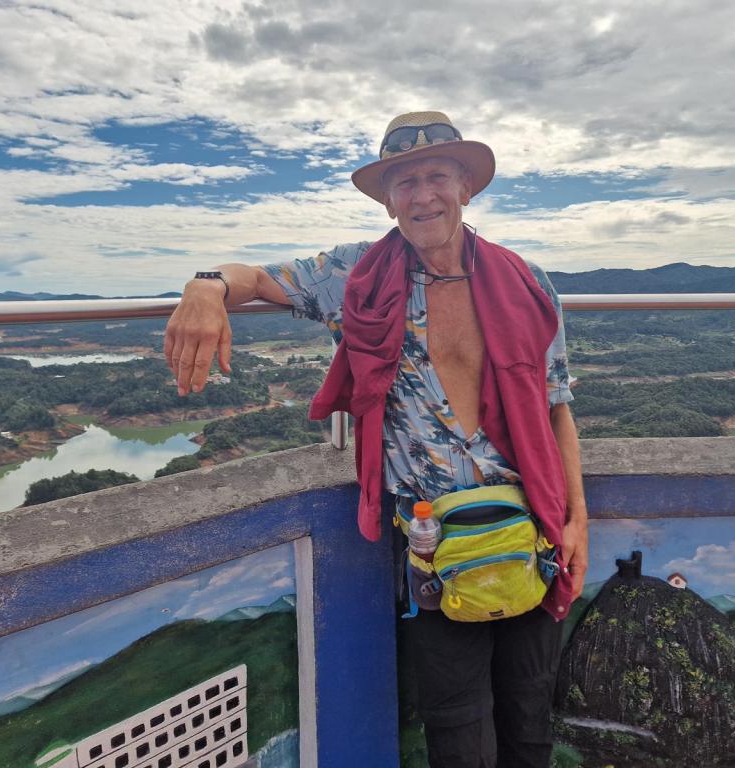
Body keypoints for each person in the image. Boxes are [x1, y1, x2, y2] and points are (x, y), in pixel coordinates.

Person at [165, 111, 589, 768]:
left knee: (530, 720)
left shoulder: (528, 282)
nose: (423, 196)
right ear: (387, 200)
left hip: (530, 527)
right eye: (404, 182)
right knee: (458, 732)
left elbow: (557, 409)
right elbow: (255, 278)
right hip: (432, 544)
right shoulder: (356, 275)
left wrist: (577, 522)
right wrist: (206, 286)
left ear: (465, 187)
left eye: (436, 176)